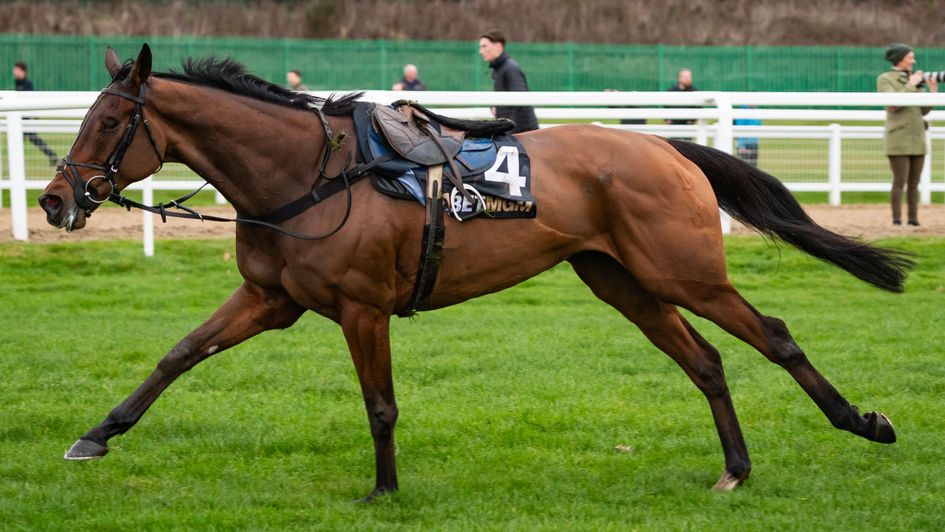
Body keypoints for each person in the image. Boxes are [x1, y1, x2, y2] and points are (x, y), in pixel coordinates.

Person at [877, 43, 936, 226]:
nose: (913, 61)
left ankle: (913, 219)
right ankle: (896, 220)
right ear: (900, 59)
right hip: (898, 138)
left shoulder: (914, 80)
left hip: (917, 138)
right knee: (899, 181)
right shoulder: (885, 79)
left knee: (914, 182)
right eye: (910, 57)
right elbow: (893, 104)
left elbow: (922, 111)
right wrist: (911, 85)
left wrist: (933, 92)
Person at [478, 30, 539, 134]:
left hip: (523, 134)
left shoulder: (510, 68)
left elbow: (520, 101)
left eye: (484, 46)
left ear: (498, 46)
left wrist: (509, 131)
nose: (480, 51)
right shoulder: (500, 68)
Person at [13, 61, 59, 166]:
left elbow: (32, 99)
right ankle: (52, 156)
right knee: (30, 139)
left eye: (17, 70)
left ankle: (52, 156)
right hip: (21, 118)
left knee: (23, 140)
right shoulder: (18, 83)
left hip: (26, 118)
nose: (15, 72)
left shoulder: (27, 84)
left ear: (23, 71)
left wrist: (34, 116)